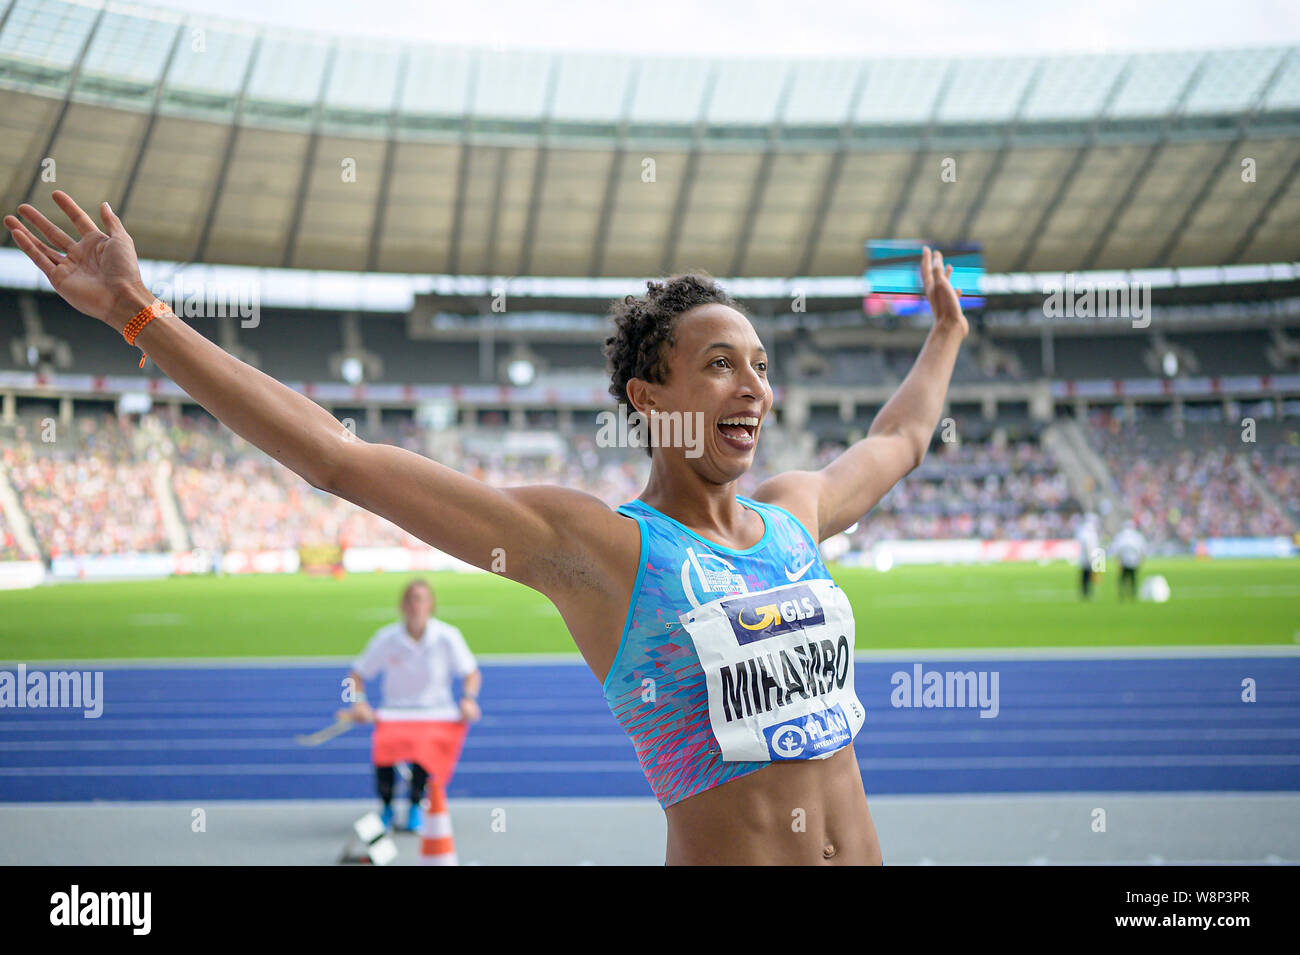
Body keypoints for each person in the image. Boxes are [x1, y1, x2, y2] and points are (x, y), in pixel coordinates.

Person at [5, 193, 968, 865]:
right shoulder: (601, 549)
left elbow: (900, 437)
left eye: (759, 363)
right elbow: (346, 461)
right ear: (649, 397)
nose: (755, 385)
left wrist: (946, 335)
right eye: (721, 363)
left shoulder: (794, 514)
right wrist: (139, 315)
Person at [347, 578, 481, 833]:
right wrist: (359, 703)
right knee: (384, 750)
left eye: (420, 598)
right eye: (409, 599)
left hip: (436, 712)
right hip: (394, 713)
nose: (414, 605)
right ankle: (386, 808)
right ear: (402, 605)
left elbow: (471, 673)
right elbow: (355, 674)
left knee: (424, 751)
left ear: (430, 604)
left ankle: (415, 806)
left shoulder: (447, 636)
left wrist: (468, 699)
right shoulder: (387, 638)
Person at [1109, 519, 1147, 601]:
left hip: (1123, 561)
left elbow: (1116, 550)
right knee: (1132, 579)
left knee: (1123, 579)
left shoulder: (1120, 536)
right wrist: (1141, 560)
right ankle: (1132, 594)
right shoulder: (1137, 536)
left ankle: (1122, 595)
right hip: (1134, 561)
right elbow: (1142, 549)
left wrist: (1117, 561)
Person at [1076, 512, 1101, 599]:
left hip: (1085, 559)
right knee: (1089, 576)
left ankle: (1085, 592)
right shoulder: (1090, 534)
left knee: (1085, 576)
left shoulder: (1083, 533)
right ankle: (1087, 592)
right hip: (1089, 559)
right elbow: (1090, 547)